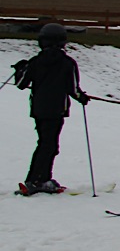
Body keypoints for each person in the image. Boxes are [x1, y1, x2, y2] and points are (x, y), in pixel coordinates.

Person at [12, 22, 89, 194]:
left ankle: (41, 178)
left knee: (46, 143)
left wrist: (20, 69)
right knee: (49, 145)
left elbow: (21, 84)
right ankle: (36, 180)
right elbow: (73, 89)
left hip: (39, 110)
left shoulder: (35, 62)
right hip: (57, 110)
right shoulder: (68, 63)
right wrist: (82, 98)